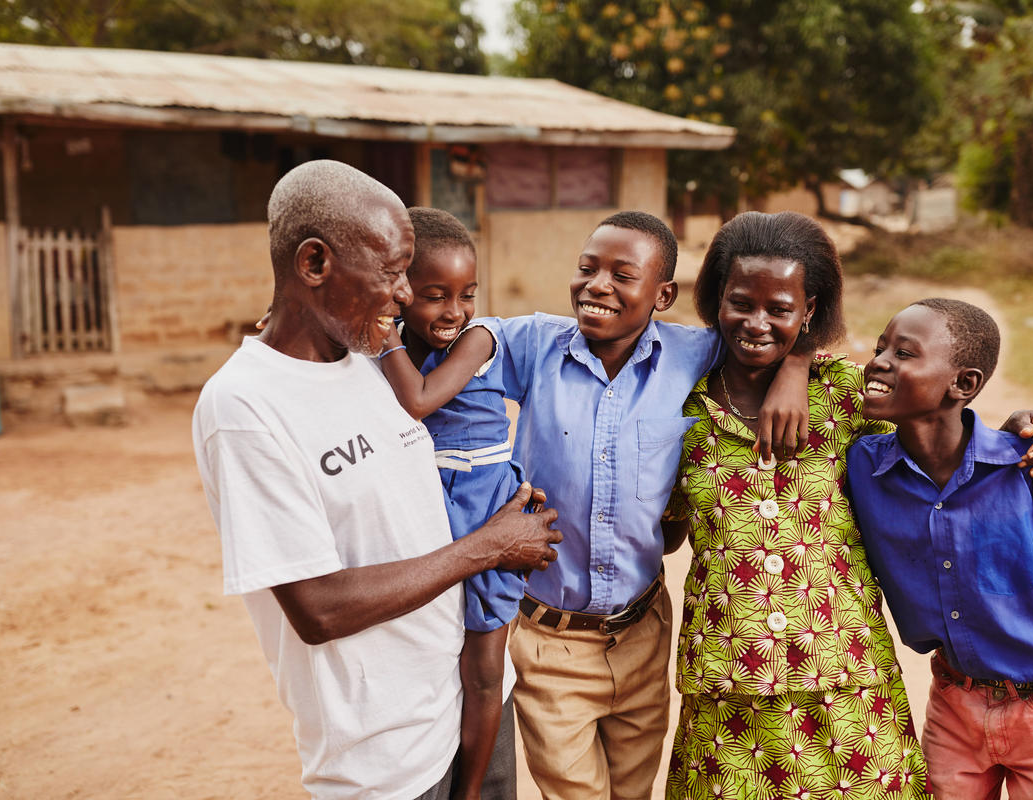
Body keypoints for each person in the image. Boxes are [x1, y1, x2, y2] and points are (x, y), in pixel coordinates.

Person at [661, 212, 1033, 800]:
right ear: (715, 298)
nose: (756, 323)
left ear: (809, 310)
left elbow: (944, 428)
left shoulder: (848, 394)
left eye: (780, 309)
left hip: (848, 683)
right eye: (739, 303)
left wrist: (1031, 426)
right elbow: (664, 526)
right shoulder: (679, 407)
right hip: (729, 684)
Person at [191, 160, 561, 800]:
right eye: (391, 274)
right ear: (314, 264)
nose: (403, 296)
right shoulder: (246, 408)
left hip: (467, 707)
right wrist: (491, 547)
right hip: (383, 758)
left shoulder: (372, 361)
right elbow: (318, 609)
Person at [473, 210, 820, 800]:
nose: (598, 285)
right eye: (587, 269)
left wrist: (796, 365)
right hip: (547, 639)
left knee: (634, 789)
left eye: (621, 274)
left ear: (663, 295)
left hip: (642, 631)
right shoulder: (536, 346)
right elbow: (464, 333)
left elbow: (769, 327)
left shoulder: (694, 355)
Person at [847, 298, 1033, 800]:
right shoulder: (863, 467)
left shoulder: (1028, 469)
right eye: (881, 347)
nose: (879, 361)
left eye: (904, 353)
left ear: (963, 385)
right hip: (955, 704)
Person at [374, 207, 525, 800]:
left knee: (484, 671)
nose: (455, 311)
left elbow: (419, 401)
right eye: (436, 295)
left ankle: (469, 792)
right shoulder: (381, 353)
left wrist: (385, 337)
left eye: (467, 294)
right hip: (432, 514)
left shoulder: (477, 342)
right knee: (427, 653)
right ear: (402, 290)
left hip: (487, 514)